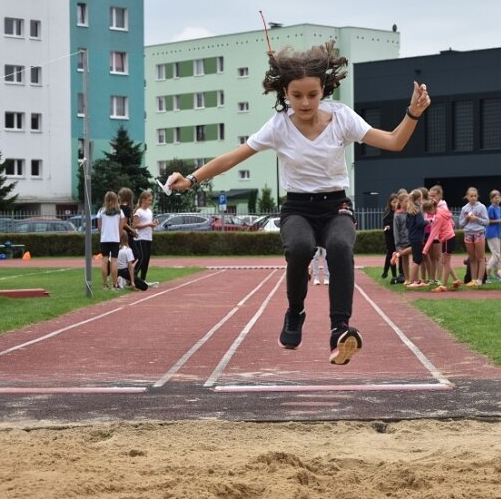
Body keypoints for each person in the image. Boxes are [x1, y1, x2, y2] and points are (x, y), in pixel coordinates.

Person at [162, 40, 431, 365]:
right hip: (298, 209)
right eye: (297, 95)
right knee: (301, 248)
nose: (305, 102)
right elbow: (234, 157)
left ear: (324, 90)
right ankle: (295, 312)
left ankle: (339, 330)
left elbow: (394, 141)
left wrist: (413, 113)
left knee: (341, 248)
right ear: (285, 93)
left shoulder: (343, 118)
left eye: (313, 95)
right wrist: (191, 180)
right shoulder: (279, 126)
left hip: (336, 207)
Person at [422, 197, 461, 291]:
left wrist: (425, 249)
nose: (428, 214)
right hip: (448, 238)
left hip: (448, 239)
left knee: (445, 263)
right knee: (445, 262)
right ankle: (456, 280)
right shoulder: (441, 211)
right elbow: (451, 222)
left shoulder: (438, 216)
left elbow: (433, 233)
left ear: (431, 209)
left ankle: (443, 286)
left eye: (428, 212)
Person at [458, 187, 489, 287]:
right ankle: (473, 280)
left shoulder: (482, 207)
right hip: (468, 234)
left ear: (477, 196)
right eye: (471, 196)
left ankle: (480, 280)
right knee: (472, 259)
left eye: (475, 196)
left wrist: (476, 219)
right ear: (467, 197)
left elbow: (486, 222)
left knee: (481, 258)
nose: (473, 198)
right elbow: (460, 224)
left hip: (479, 233)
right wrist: (467, 218)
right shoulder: (464, 209)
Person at [97, 191, 127, 290]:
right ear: (115, 199)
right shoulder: (119, 211)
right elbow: (121, 227)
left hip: (104, 239)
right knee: (114, 262)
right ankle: (114, 284)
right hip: (115, 239)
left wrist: (104, 233)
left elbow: (99, 226)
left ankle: (105, 284)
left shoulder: (101, 210)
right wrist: (117, 235)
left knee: (104, 261)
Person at [132, 190, 159, 282]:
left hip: (148, 237)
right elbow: (135, 225)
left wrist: (153, 224)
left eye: (151, 200)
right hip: (140, 237)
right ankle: (132, 276)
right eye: (149, 200)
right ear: (143, 200)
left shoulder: (149, 211)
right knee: (142, 257)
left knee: (147, 259)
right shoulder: (138, 211)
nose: (150, 202)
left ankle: (143, 279)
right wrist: (148, 224)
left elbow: (148, 223)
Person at [405, 189, 429, 288]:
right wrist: (427, 221)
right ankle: (412, 281)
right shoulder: (418, 210)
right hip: (418, 237)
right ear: (419, 198)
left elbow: (407, 225)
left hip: (412, 236)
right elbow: (420, 223)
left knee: (415, 258)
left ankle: (416, 280)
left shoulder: (410, 210)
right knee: (417, 260)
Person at [485, 190, 501, 282]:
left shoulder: (499, 208)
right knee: (496, 254)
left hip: (498, 232)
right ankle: (487, 273)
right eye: (495, 197)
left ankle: (496, 273)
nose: (497, 199)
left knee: (497, 254)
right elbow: (488, 221)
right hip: (492, 233)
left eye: (498, 197)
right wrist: (500, 220)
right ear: (491, 199)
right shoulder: (491, 208)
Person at [381, 193, 400, 283]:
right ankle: (393, 275)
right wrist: (387, 227)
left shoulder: (400, 212)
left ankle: (387, 271)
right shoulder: (387, 213)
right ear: (390, 203)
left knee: (395, 254)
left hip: (398, 237)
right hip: (390, 236)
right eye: (394, 202)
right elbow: (385, 225)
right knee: (391, 254)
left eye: (397, 202)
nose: (395, 204)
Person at [118, 187, 138, 256]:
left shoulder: (119, 207)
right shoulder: (126, 208)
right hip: (126, 235)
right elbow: (124, 223)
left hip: (121, 233)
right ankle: (129, 267)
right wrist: (132, 230)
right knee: (136, 254)